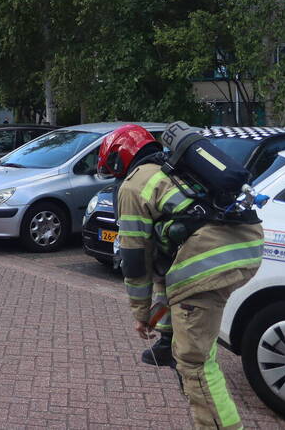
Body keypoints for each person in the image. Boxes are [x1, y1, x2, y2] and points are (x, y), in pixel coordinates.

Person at [105, 124, 263, 430]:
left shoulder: (133, 186)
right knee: (194, 319)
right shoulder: (173, 170)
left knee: (194, 364)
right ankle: (177, 339)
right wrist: (163, 326)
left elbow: (136, 262)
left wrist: (140, 315)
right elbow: (166, 264)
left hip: (207, 260)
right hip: (246, 244)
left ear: (118, 160)